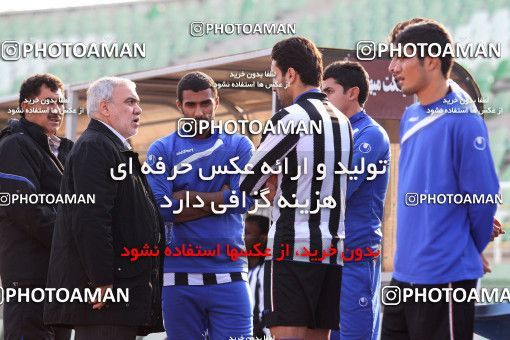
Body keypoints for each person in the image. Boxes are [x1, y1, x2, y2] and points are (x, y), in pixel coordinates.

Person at [382, 22, 500, 340]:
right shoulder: (412, 115)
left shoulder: (463, 120)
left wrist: (464, 247)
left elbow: (483, 198)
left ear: (432, 61)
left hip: (444, 279)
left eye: (402, 58)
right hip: (403, 277)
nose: (393, 67)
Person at [240, 36, 353, 340]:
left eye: (275, 75)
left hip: (292, 247)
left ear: (290, 74)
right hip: (332, 249)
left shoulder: (289, 118)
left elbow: (248, 180)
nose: (275, 83)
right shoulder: (343, 122)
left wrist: (273, 180)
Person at [44, 77, 165, 339]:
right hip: (105, 299)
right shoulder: (96, 147)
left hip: (118, 295)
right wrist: (101, 280)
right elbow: (90, 218)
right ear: (105, 108)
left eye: (138, 102)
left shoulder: (113, 147)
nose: (138, 109)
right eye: (130, 102)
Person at [146, 71, 254, 339]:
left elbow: (246, 199)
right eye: (191, 105)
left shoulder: (238, 144)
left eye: (205, 103)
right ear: (179, 105)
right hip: (178, 274)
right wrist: (221, 197)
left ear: (216, 101)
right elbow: (162, 209)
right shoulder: (161, 150)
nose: (199, 112)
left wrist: (185, 198)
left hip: (230, 272)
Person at [0, 74, 72, 340]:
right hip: (28, 282)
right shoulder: (15, 145)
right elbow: (26, 207)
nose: (56, 110)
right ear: (27, 107)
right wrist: (72, 241)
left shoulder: (63, 151)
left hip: (60, 283)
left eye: (61, 104)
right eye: (48, 103)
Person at [322, 61, 390, 340]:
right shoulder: (329, 134)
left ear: (352, 93)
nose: (322, 98)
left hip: (356, 256)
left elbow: (338, 190)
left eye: (329, 91)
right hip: (326, 255)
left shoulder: (369, 134)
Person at [245, 214, 270, 338]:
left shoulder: (267, 272)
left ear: (263, 238)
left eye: (247, 233)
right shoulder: (239, 270)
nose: (242, 237)